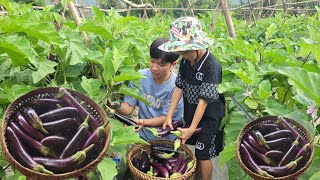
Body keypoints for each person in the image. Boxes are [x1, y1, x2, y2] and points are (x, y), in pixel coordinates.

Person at [160, 17, 226, 180]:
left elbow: (204, 102)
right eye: (180, 50)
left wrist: (192, 128)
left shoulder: (211, 66)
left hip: (209, 118)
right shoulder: (185, 61)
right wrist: (169, 116)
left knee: (203, 154)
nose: (182, 54)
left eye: (185, 50)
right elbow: (178, 88)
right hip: (192, 112)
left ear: (198, 46)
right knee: (193, 148)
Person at [111, 38, 184, 141]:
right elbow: (128, 109)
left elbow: (166, 118)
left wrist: (144, 122)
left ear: (173, 64)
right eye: (152, 61)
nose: (154, 67)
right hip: (142, 137)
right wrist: (116, 104)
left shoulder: (177, 86)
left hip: (166, 140)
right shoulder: (140, 77)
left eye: (161, 64)